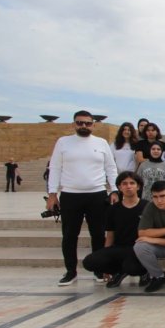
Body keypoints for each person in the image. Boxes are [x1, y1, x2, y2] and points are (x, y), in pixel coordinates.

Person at [47, 110, 119, 286]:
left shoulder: (101, 143)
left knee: (98, 234)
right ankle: (70, 271)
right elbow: (55, 168)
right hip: (71, 194)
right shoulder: (63, 142)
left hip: (97, 194)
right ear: (74, 124)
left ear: (93, 125)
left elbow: (111, 168)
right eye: (80, 123)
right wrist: (52, 194)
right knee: (69, 235)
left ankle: (98, 269)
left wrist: (115, 190)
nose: (84, 126)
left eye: (87, 123)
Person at [82, 171, 147, 287]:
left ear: (138, 186)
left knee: (131, 267)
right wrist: (105, 259)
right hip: (119, 248)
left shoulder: (147, 206)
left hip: (139, 248)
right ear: (119, 187)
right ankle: (118, 272)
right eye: (124, 184)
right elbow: (110, 235)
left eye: (132, 183)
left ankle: (144, 273)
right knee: (89, 262)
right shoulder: (113, 209)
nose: (128, 186)